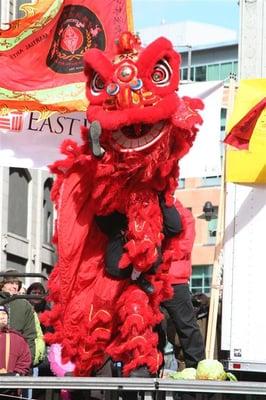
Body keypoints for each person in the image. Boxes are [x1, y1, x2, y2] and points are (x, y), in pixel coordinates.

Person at [95, 194, 182, 295]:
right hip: (117, 278)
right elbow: (103, 220)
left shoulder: (158, 198)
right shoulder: (118, 199)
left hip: (148, 273)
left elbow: (174, 227)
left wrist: (162, 195)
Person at [161, 199, 205, 370]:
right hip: (163, 278)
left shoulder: (183, 215)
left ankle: (197, 371)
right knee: (183, 328)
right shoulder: (180, 213)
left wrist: (159, 258)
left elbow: (184, 246)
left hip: (173, 279)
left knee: (186, 327)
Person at [0, 269, 43, 365]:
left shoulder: (25, 305)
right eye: (11, 283)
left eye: (16, 283)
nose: (14, 286)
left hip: (17, 360)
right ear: (3, 284)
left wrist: (28, 361)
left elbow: (30, 336)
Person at [0, 304, 32, 375]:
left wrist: (16, 373)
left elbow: (25, 360)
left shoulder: (17, 339)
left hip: (11, 383)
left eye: (4, 314)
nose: (2, 317)